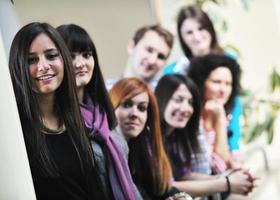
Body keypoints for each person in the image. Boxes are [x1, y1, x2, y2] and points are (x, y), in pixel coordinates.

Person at [8, 22, 107, 199]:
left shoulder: (73, 119)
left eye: (51, 56)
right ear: (18, 67)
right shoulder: (15, 132)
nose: (43, 66)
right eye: (31, 60)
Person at [57, 24, 141, 200]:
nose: (81, 64)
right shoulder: (58, 120)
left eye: (86, 55)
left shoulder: (102, 112)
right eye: (71, 56)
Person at [154, 74, 256, 198]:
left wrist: (228, 177)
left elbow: (185, 175)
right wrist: (227, 183)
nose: (186, 108)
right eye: (179, 99)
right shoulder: (150, 137)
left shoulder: (176, 136)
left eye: (190, 102)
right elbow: (168, 187)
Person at [164, 5, 241, 154]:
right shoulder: (176, 70)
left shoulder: (229, 60)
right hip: (193, 148)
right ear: (182, 37)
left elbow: (235, 105)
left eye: (201, 29)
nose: (197, 36)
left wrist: (234, 147)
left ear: (210, 29)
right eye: (189, 32)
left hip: (225, 143)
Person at [109, 78, 188, 200]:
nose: (134, 114)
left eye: (142, 108)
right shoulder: (102, 152)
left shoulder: (141, 148)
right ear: (112, 107)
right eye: (127, 104)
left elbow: (160, 188)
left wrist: (179, 197)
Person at [188, 54, 242, 174]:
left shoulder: (223, 113)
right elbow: (215, 166)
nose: (223, 90)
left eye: (228, 84)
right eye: (217, 82)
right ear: (202, 83)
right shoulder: (189, 115)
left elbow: (223, 159)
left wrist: (220, 118)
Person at [106, 24, 174, 90]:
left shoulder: (166, 96)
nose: (152, 60)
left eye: (161, 56)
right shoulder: (103, 91)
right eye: (149, 50)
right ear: (131, 46)